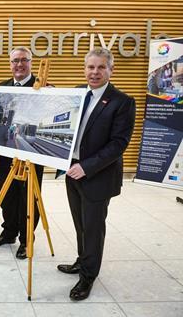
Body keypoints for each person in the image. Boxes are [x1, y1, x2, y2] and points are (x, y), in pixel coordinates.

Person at [57, 48, 136, 301]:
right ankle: (82, 261)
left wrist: (87, 166)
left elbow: (118, 144)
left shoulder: (122, 102)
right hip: (72, 170)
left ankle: (88, 277)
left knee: (93, 228)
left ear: (110, 70)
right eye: (90, 67)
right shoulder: (79, 93)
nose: (95, 72)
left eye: (101, 67)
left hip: (97, 175)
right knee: (80, 224)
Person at [0, 46, 44, 260]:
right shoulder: (3, 87)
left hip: (31, 154)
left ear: (31, 62)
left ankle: (26, 239)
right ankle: (8, 232)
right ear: (10, 64)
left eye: (23, 60)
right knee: (7, 195)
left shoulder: (43, 86)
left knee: (28, 198)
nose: (19, 64)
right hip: (6, 153)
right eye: (15, 61)